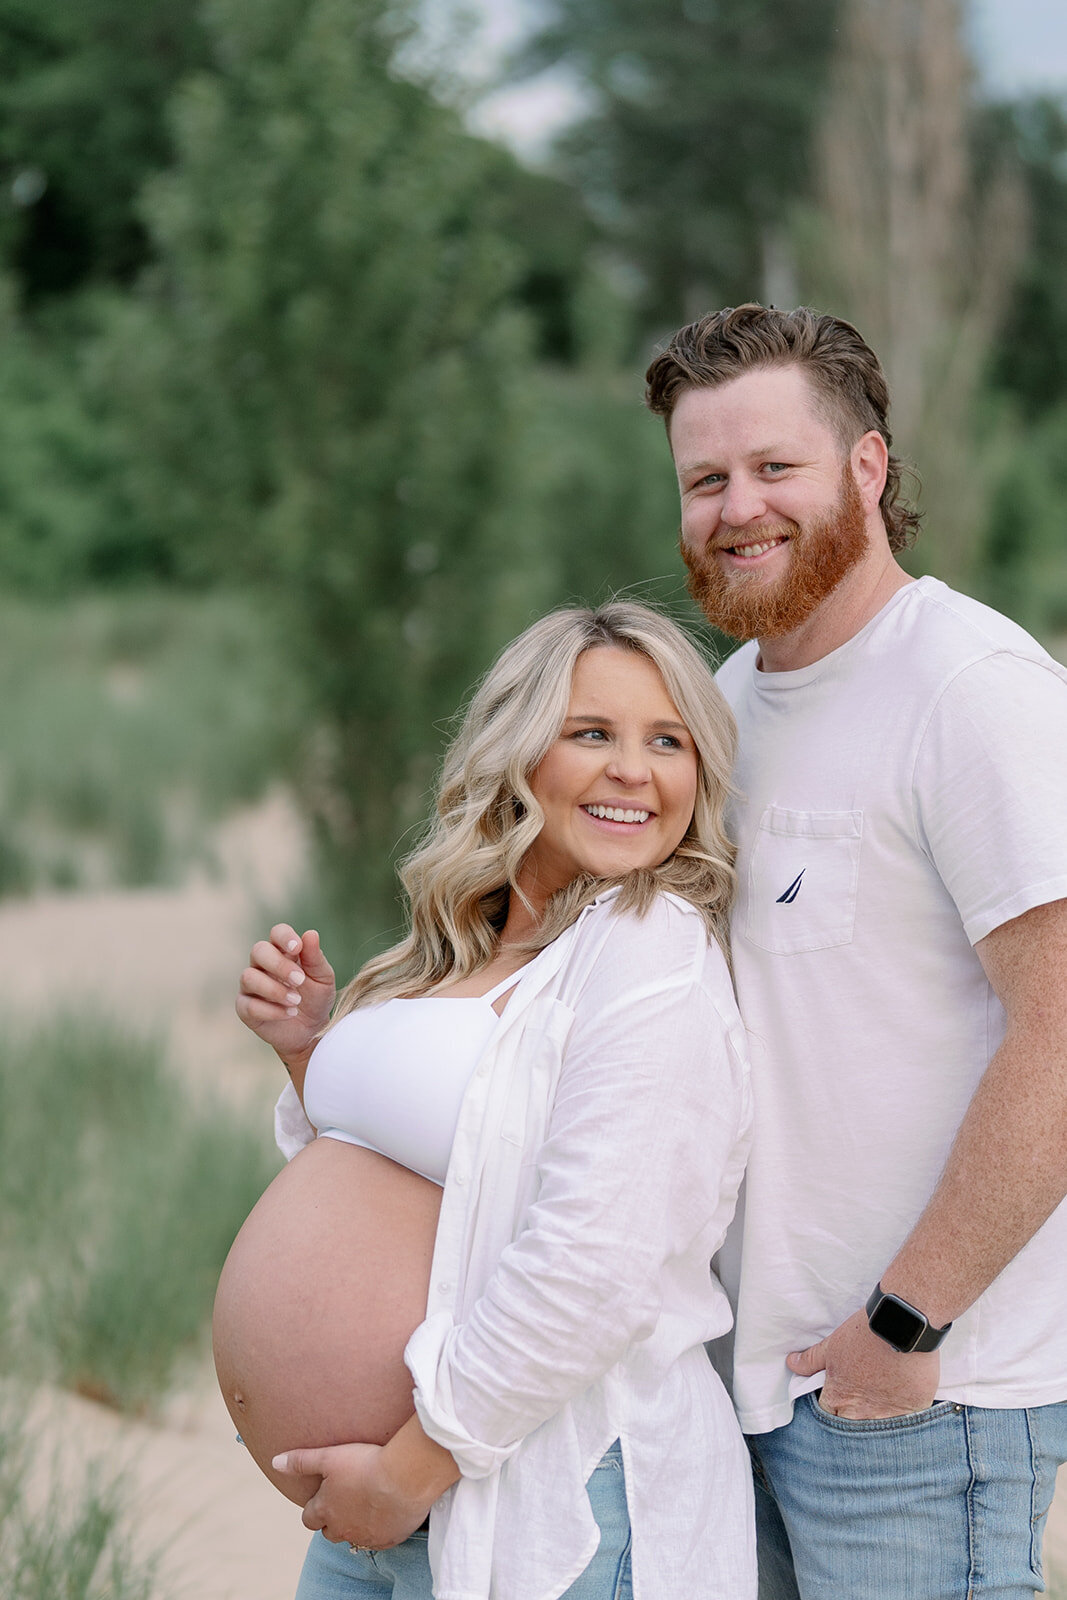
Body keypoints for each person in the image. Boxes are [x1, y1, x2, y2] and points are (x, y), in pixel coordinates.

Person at [644, 303, 1067, 1599]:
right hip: (748, 1394)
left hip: (918, 1401)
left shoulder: (966, 689)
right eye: (703, 479)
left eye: (774, 468)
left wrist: (902, 1324)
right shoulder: (724, 703)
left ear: (865, 469)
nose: (736, 507)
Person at [232, 602, 757, 1600]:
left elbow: (594, 1263)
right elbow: (421, 1187)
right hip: (382, 1506)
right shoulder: (468, 946)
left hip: (538, 1502)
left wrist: (405, 1471)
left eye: (667, 742)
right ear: (518, 751)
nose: (633, 770)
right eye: (592, 732)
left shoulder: (649, 950)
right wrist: (310, 1053)